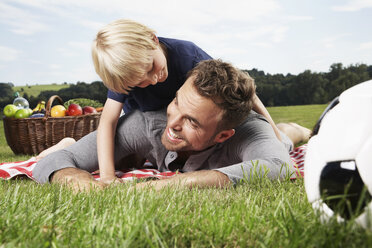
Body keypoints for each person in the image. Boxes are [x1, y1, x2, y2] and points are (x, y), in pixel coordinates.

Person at [33, 59, 310, 192]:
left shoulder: (250, 132)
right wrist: (75, 179)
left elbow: (278, 166)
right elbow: (55, 161)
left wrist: (175, 185)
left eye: (191, 121)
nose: (173, 124)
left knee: (286, 138)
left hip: (267, 133)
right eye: (177, 103)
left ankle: (299, 128)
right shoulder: (148, 123)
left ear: (224, 134)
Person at [91, 19, 283, 185]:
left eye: (152, 67)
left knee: (275, 140)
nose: (153, 79)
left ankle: (286, 130)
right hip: (152, 131)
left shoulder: (187, 54)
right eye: (140, 82)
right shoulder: (124, 73)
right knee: (123, 163)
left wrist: (275, 134)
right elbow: (108, 121)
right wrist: (107, 176)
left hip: (190, 129)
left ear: (153, 40)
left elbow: (239, 88)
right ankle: (66, 145)